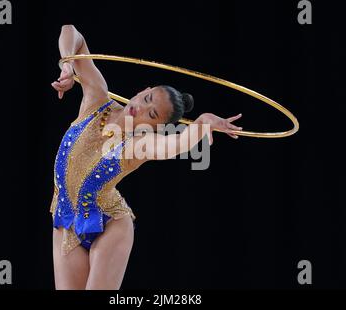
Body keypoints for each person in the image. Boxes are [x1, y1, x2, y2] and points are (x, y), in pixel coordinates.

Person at [50, 25, 243, 290]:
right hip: (66, 217)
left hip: (111, 225)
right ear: (144, 89)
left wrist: (202, 124)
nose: (140, 109)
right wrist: (69, 64)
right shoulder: (96, 98)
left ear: (155, 128)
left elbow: (178, 143)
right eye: (147, 99)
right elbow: (72, 33)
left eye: (151, 115)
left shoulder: (140, 144)